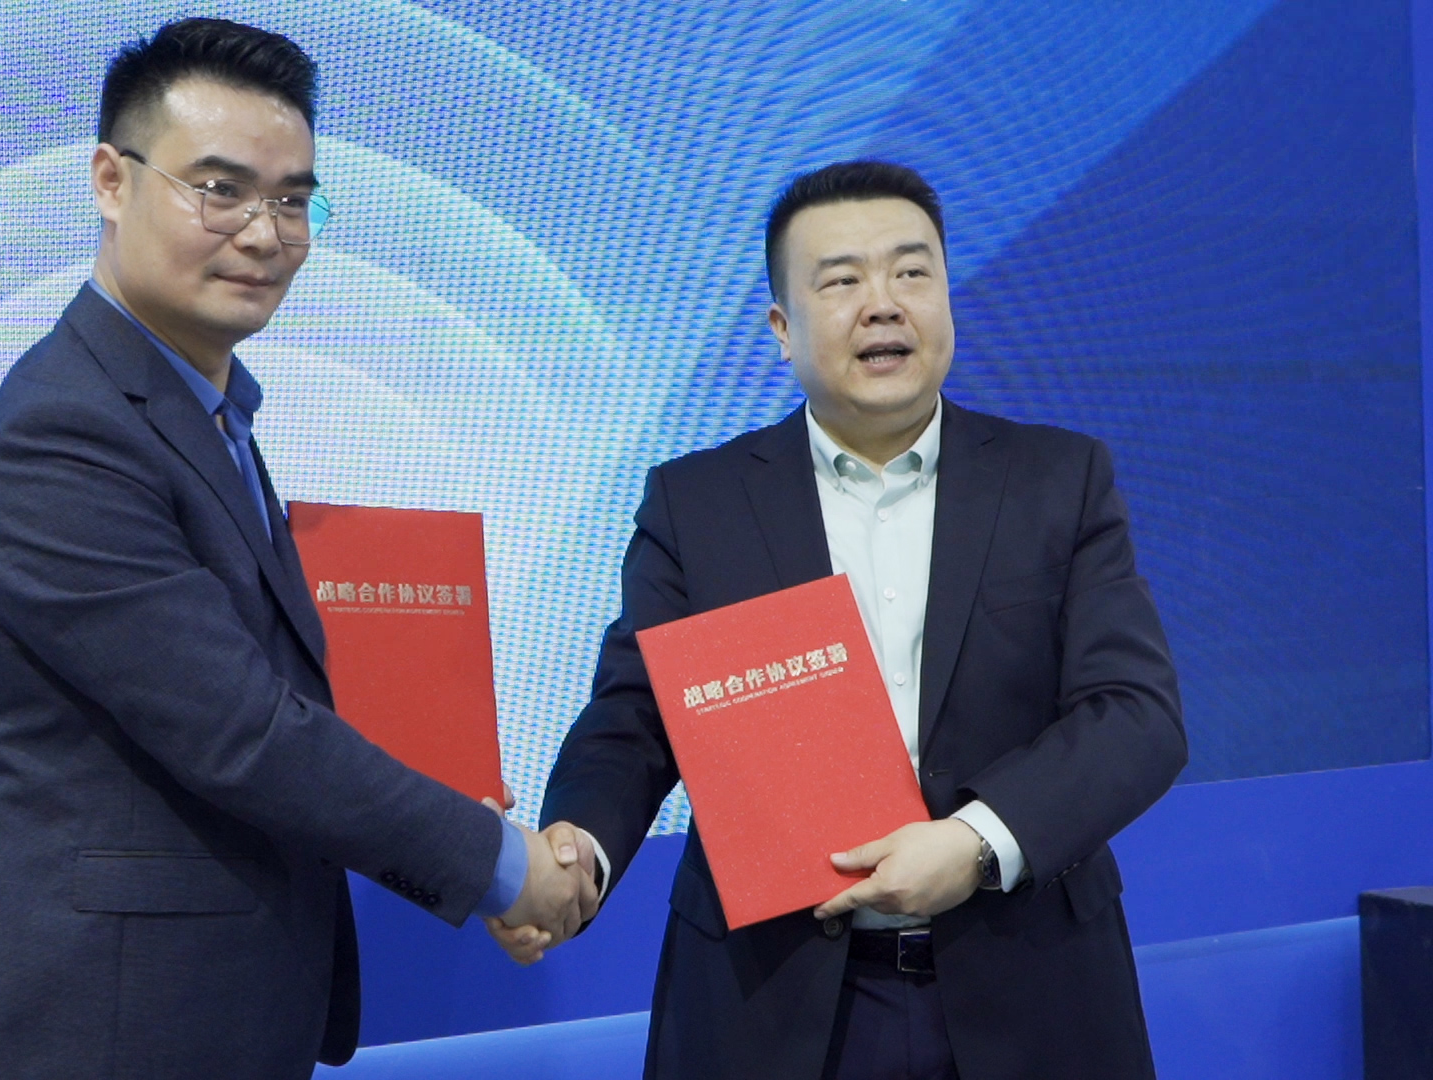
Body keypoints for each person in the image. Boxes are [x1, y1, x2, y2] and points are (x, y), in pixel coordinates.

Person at [0, 19, 596, 1079]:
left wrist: (467, 824)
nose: (265, 234)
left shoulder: (204, 411)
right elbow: (245, 733)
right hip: (89, 1034)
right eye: (220, 190)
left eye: (294, 200)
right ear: (111, 181)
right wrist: (501, 865)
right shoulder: (63, 432)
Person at [505, 161, 1186, 1079]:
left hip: (1029, 988)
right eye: (841, 281)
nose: (883, 304)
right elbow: (634, 720)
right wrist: (575, 852)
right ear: (782, 329)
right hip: (773, 999)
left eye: (911, 272)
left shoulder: (1059, 481)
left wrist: (975, 843)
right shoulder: (698, 504)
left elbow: (1135, 715)